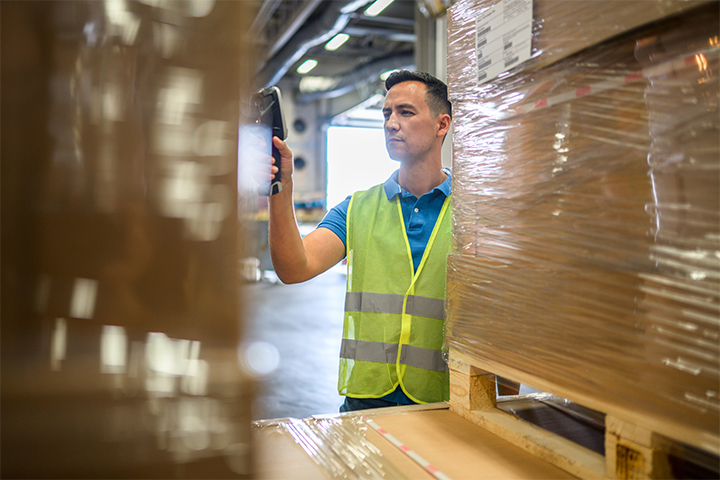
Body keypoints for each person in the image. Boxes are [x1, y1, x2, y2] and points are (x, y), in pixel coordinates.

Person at [267, 70, 453, 412]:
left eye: (405, 113)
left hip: (445, 403)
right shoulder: (357, 208)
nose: (391, 123)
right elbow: (294, 267)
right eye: (386, 113)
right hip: (365, 402)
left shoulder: (472, 213)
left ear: (442, 125)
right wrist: (281, 189)